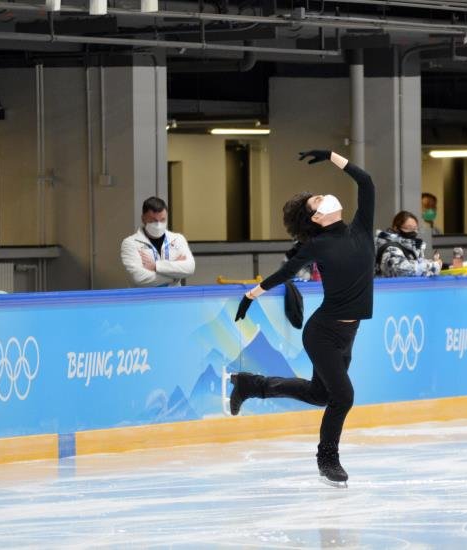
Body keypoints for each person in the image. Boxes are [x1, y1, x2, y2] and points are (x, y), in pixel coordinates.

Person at [231, 149, 374, 488]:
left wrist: (331, 156)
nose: (322, 198)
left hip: (347, 333)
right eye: (315, 202)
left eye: (320, 195)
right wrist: (252, 295)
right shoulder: (317, 245)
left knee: (322, 395)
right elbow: (285, 273)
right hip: (322, 333)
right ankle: (328, 459)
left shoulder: (362, 229)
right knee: (343, 396)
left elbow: (365, 182)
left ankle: (253, 385)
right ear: (315, 219)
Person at [120, 196, 196, 287]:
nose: (158, 225)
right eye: (153, 220)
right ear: (143, 219)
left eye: (162, 220)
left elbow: (189, 268)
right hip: (145, 299)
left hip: (174, 298)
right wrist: (175, 275)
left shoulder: (178, 239)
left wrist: (156, 266)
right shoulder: (130, 243)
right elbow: (138, 278)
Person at [375, 211, 442, 277]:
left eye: (415, 228)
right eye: (409, 228)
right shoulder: (390, 248)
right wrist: (432, 266)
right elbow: (401, 270)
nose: (413, 232)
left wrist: (432, 262)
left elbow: (417, 264)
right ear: (396, 228)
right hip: (390, 287)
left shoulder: (412, 247)